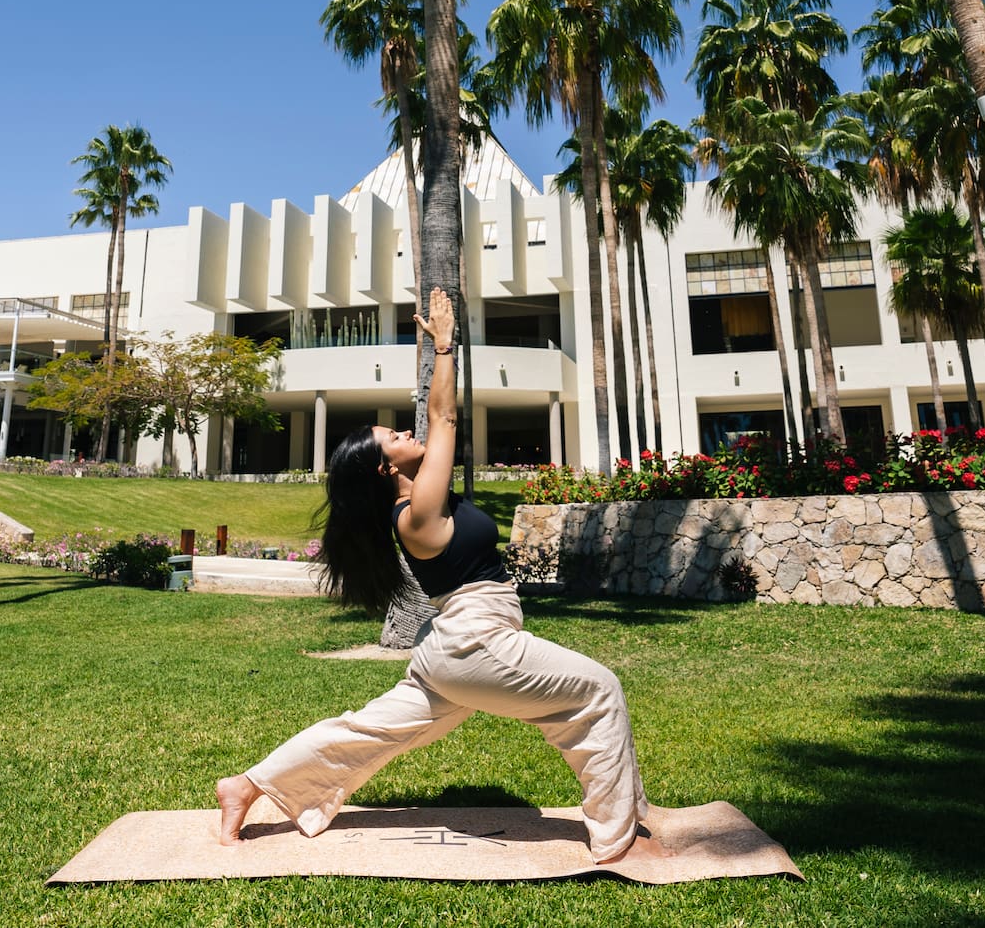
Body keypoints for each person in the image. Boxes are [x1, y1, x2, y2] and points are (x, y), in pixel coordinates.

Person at [215, 288, 667, 866]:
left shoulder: (418, 506)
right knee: (599, 691)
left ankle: (246, 785)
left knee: (367, 730)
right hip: (477, 641)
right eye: (395, 439)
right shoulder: (418, 515)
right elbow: (443, 414)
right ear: (387, 469)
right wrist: (446, 346)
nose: (408, 435)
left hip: (452, 648)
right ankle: (614, 835)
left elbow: (432, 423)